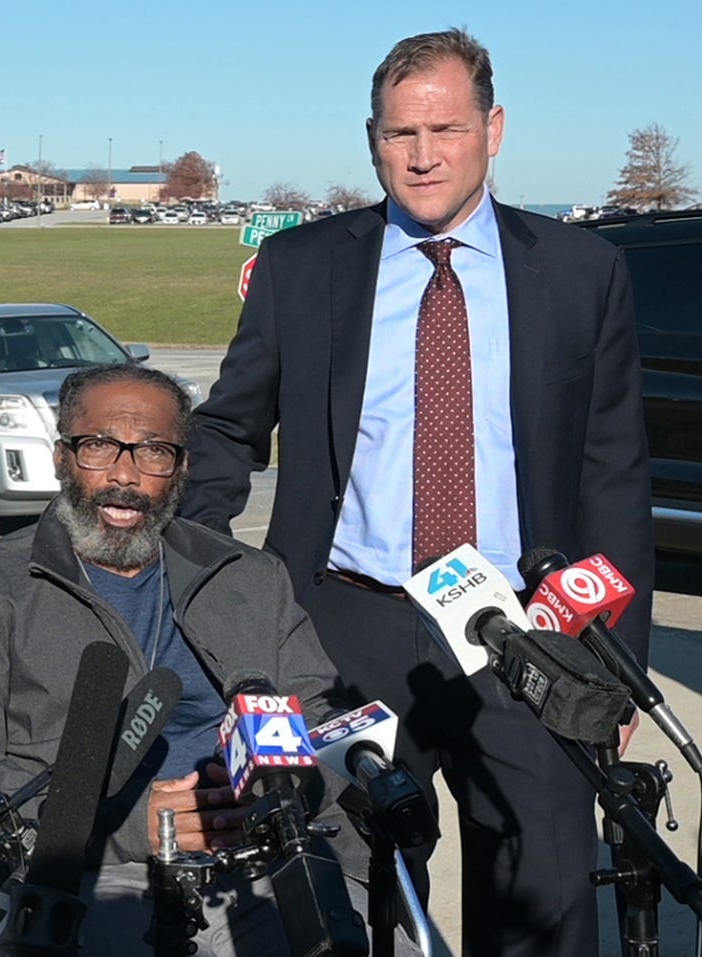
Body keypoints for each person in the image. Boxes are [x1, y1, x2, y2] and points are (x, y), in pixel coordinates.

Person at [181, 28, 653, 957]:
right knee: (348, 885)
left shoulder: (580, 271)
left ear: (495, 128)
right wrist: (194, 583)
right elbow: (228, 430)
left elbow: (612, 472)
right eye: (401, 133)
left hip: (527, 625)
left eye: (446, 128)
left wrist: (614, 659)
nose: (424, 154)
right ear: (372, 139)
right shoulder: (303, 268)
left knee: (547, 887)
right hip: (349, 624)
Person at [0, 365, 412, 957]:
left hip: (269, 863)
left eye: (154, 452)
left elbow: (320, 718)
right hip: (87, 879)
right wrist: (132, 826)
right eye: (98, 447)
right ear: (61, 458)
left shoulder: (250, 579)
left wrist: (277, 794)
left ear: (183, 469)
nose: (125, 475)